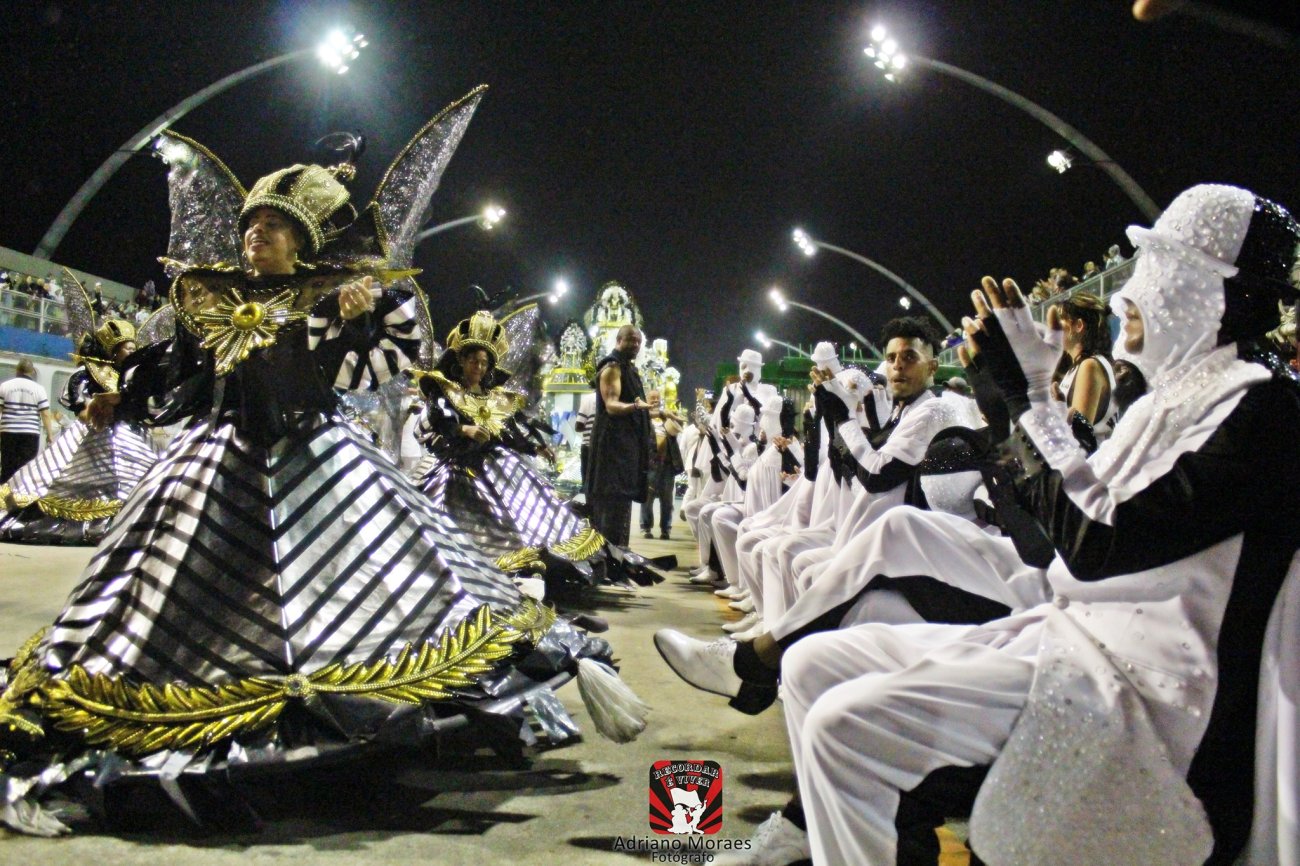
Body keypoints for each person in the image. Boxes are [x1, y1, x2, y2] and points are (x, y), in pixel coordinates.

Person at [0, 94, 637, 833]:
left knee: (383, 577)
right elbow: (178, 385)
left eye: (270, 226)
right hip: (217, 470)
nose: (254, 236)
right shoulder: (209, 301)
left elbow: (339, 379)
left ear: (301, 241)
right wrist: (128, 386)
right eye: (249, 226)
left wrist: (352, 316)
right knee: (179, 591)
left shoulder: (327, 300)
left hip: (321, 468)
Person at [784, 185, 1300, 866]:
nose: (1126, 300)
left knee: (842, 726)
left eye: (1158, 269)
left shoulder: (1264, 413)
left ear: (1211, 291)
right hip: (1070, 633)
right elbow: (1051, 536)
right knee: (813, 663)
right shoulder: (1172, 398)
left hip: (1142, 688)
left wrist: (1026, 397)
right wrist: (1013, 398)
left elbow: (1097, 541)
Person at [414, 309, 623, 588]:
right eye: (473, 360)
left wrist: (536, 449)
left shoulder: (496, 399)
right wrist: (464, 429)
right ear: (461, 360)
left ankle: (539, 562)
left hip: (496, 464)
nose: (478, 367)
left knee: (529, 509)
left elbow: (508, 435)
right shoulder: (447, 391)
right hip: (458, 468)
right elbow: (439, 420)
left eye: (484, 362)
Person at [0, 313, 158, 544]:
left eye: (134, 347)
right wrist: (99, 411)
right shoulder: (89, 375)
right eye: (127, 348)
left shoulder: (134, 377)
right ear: (112, 351)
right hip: (93, 436)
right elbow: (82, 411)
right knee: (57, 476)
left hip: (128, 434)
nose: (132, 352)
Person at [587, 324, 654, 547]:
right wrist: (636, 406)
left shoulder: (629, 369)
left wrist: (658, 411)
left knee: (621, 506)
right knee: (610, 507)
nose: (635, 345)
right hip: (612, 452)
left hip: (626, 451)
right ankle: (606, 559)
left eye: (638, 341)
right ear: (619, 341)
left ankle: (618, 557)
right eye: (630, 340)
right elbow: (612, 406)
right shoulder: (612, 368)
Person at [0, 358, 57, 482]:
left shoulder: (4, 386)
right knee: (26, 469)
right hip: (30, 434)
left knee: (7, 466)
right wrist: (50, 434)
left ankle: (3, 496)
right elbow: (45, 414)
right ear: (32, 372)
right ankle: (22, 497)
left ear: (17, 371)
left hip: (8, 432)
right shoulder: (39, 389)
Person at [641, 388, 685, 539]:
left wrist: (675, 417)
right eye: (652, 398)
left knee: (667, 500)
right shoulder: (644, 417)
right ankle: (646, 527)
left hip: (667, 465)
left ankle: (665, 529)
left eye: (657, 398)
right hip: (650, 464)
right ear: (646, 400)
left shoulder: (667, 416)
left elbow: (680, 426)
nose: (655, 401)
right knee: (647, 498)